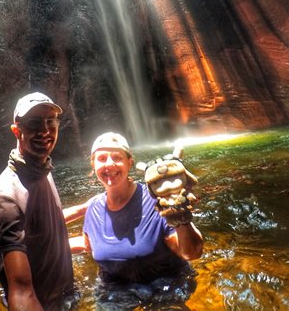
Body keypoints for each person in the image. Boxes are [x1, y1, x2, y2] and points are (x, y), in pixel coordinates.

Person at [70, 132, 204, 309]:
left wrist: (182, 220)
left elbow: (192, 253)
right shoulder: (93, 208)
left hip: (165, 284)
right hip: (115, 289)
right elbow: (89, 245)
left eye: (116, 157)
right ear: (93, 165)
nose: (109, 163)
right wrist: (39, 247)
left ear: (129, 163)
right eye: (102, 158)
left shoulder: (155, 198)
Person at [0, 92, 87, 310]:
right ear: (16, 129)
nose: (44, 131)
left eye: (50, 122)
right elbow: (21, 294)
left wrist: (86, 208)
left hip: (65, 298)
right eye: (34, 123)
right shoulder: (5, 197)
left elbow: (41, 223)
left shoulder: (41, 169)